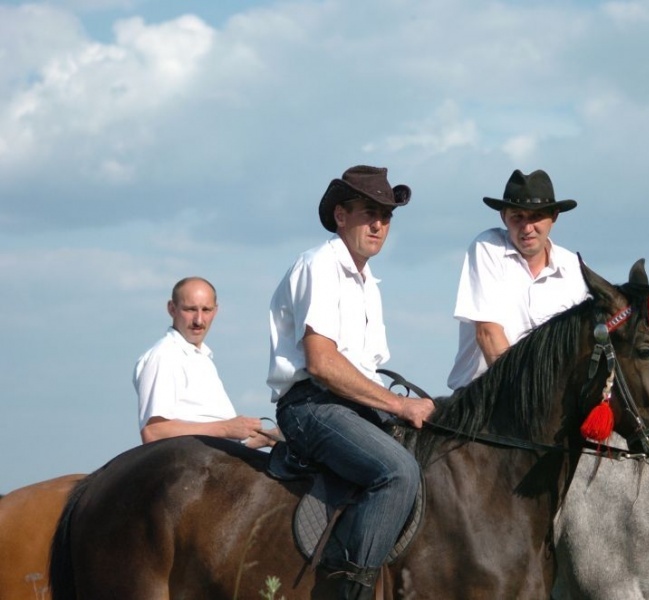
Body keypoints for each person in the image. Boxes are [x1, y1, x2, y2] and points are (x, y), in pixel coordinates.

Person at [267, 165, 435, 598]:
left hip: (349, 404)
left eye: (386, 215)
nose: (379, 223)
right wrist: (399, 406)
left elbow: (363, 371)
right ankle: (350, 593)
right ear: (341, 215)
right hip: (311, 406)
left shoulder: (367, 282)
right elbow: (321, 363)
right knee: (398, 472)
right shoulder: (321, 265)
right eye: (368, 212)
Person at [447, 168, 589, 390]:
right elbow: (488, 333)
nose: (527, 227)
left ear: (554, 217)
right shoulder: (487, 247)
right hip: (483, 396)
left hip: (551, 403)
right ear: (503, 216)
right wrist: (526, 393)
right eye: (517, 217)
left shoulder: (575, 269)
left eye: (536, 217)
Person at [134, 276, 276, 449]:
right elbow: (154, 432)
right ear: (172, 309)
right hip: (192, 471)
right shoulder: (165, 356)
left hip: (213, 464)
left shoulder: (201, 357)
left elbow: (218, 438)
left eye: (206, 310)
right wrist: (226, 428)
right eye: (190, 309)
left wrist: (267, 438)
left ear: (216, 311)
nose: (199, 320)